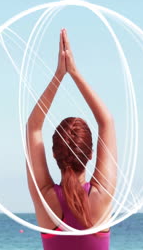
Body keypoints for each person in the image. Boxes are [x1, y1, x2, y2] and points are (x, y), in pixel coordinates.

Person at [25, 28, 117, 250]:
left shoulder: (46, 198)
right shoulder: (101, 197)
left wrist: (59, 75)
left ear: (55, 155)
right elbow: (106, 122)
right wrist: (74, 73)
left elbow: (33, 128)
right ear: (91, 154)